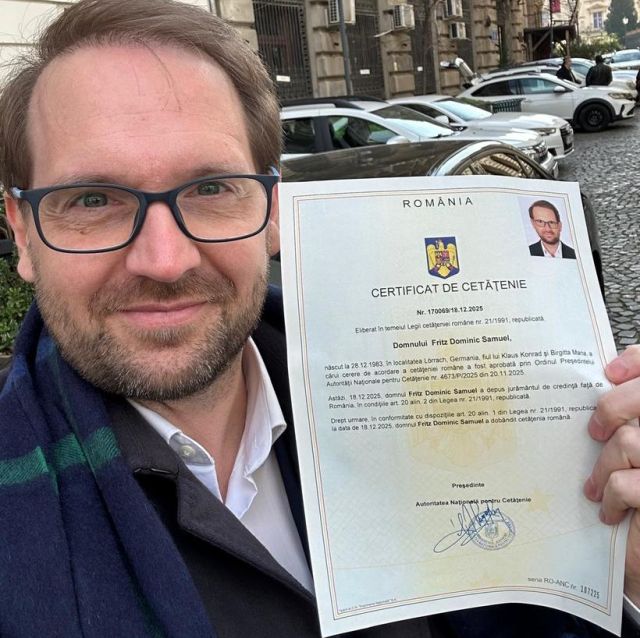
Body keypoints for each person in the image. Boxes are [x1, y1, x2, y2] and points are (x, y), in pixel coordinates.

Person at [1, 1, 640, 636]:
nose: (165, 261)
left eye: (212, 188)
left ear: (273, 211)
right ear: (23, 233)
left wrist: (624, 574)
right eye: (92, 199)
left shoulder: (427, 398)